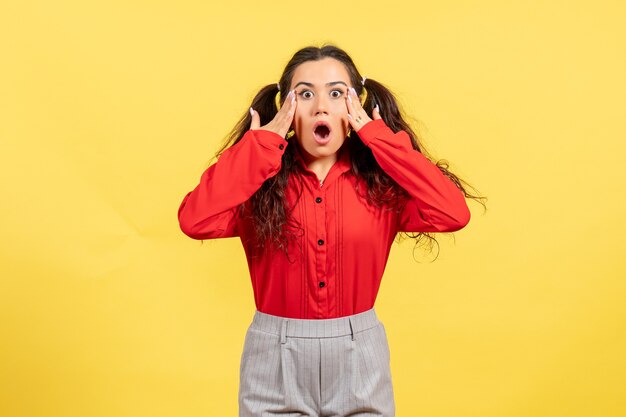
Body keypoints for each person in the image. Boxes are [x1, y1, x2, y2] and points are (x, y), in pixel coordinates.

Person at [178, 44, 485, 417]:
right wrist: (259, 146)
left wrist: (378, 137)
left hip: (360, 356)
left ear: (353, 106)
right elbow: (194, 219)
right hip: (275, 358)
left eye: (336, 93)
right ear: (287, 109)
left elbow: (453, 212)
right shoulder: (258, 183)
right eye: (305, 94)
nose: (321, 106)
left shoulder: (381, 188)